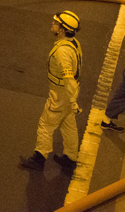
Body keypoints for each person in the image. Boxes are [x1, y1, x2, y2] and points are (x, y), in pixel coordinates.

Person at [20, 11, 83, 173]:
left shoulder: (62, 52)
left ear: (62, 30)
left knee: (45, 125)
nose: (52, 25)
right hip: (69, 94)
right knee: (68, 125)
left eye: (56, 23)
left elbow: (68, 77)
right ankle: (70, 159)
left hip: (61, 95)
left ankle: (39, 159)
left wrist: (72, 101)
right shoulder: (73, 43)